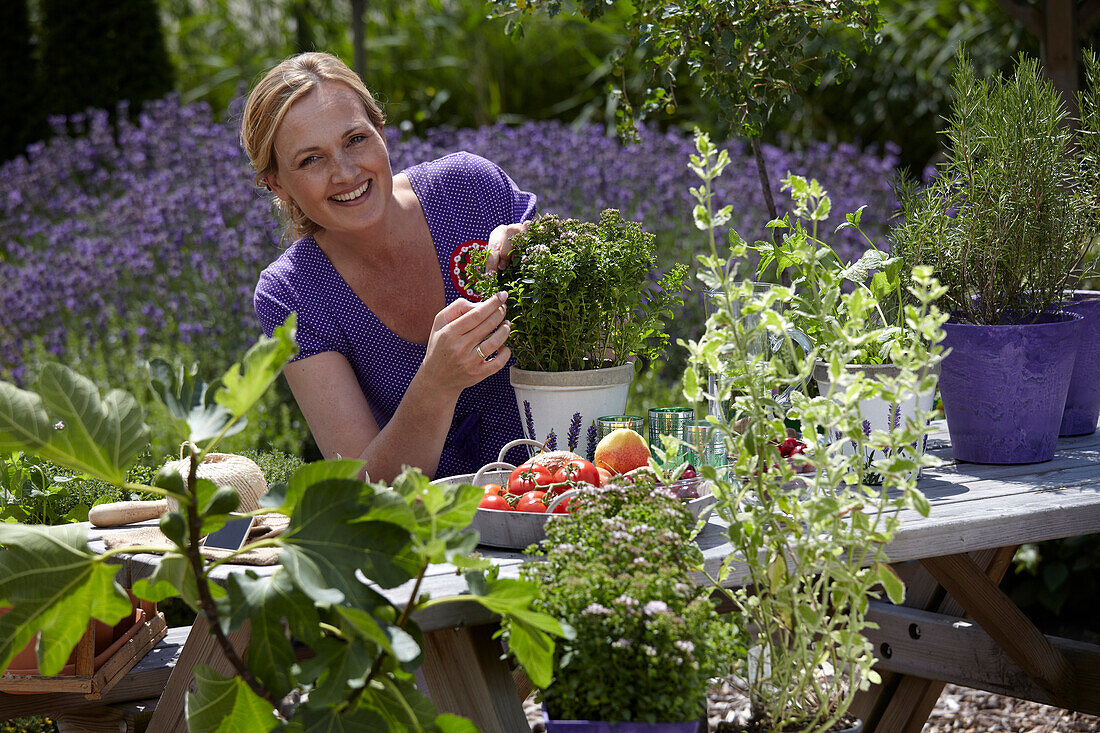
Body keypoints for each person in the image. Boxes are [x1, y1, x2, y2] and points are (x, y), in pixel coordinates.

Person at [242, 52, 533, 481]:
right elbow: (363, 486)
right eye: (311, 160)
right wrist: (436, 384)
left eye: (355, 139)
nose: (344, 172)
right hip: (430, 535)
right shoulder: (292, 293)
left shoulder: (471, 190)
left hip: (563, 496)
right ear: (278, 184)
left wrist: (550, 255)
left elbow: (600, 351)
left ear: (380, 130)